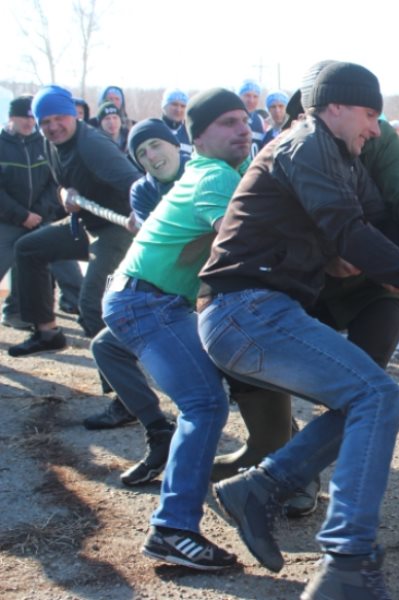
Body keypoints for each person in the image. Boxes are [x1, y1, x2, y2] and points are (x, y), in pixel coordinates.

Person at [197, 61, 399, 599]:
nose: (376, 128)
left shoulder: (343, 161)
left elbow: (373, 225)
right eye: (370, 114)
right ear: (333, 106)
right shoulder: (303, 144)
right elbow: (351, 231)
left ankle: (263, 492)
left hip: (263, 311)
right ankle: (345, 562)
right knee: (378, 395)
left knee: (369, 399)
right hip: (244, 310)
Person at [101, 88, 252, 570]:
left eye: (244, 120)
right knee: (205, 402)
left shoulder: (213, 173)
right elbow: (240, 238)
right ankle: (174, 528)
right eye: (228, 122)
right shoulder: (213, 175)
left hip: (149, 299)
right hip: (148, 302)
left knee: (213, 391)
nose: (243, 129)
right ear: (200, 136)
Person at [8, 85, 139, 358]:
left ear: (73, 116)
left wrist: (144, 216)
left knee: (92, 307)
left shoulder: (92, 144)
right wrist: (65, 194)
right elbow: (61, 186)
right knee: (28, 248)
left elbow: (137, 185)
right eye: (45, 121)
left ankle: (125, 392)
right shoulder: (50, 143)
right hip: (84, 224)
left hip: (117, 229)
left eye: (59, 118)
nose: (53, 126)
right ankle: (47, 333)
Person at [84, 118, 190, 436]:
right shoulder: (142, 190)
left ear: (174, 143)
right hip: (161, 294)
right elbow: (160, 244)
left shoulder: (203, 175)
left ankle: (279, 435)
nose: (152, 156)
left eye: (156, 145)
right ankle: (157, 429)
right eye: (142, 153)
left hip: (206, 294)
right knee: (105, 346)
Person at [0, 94, 82, 330]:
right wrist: (21, 216)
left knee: (59, 261)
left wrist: (37, 213)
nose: (28, 123)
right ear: (10, 117)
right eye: (22, 117)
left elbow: (54, 181)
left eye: (31, 118)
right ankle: (13, 311)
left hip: (40, 218)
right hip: (7, 220)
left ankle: (80, 307)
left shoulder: (44, 143)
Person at [238, 79, 265, 156]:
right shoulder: (230, 119)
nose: (251, 100)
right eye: (247, 96)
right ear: (239, 96)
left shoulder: (261, 120)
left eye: (255, 96)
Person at [160, 88, 192, 154]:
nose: (178, 110)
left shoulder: (190, 132)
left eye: (183, 106)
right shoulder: (153, 129)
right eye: (174, 104)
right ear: (164, 106)